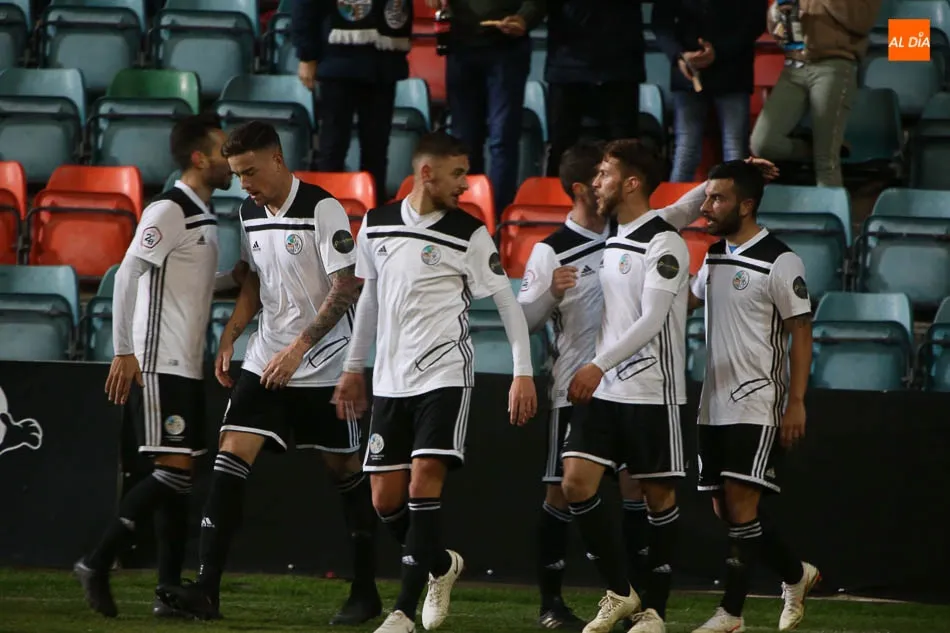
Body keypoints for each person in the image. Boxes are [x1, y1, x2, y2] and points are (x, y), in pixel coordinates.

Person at [155, 121, 381, 625]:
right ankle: (207, 590)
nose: (244, 184)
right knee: (230, 456)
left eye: (251, 172)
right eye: (236, 174)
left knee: (345, 474)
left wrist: (300, 348)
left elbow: (346, 287)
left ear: (277, 160)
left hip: (323, 365)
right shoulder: (247, 211)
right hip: (266, 358)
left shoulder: (322, 208)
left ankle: (365, 591)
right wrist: (234, 331)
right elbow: (253, 281)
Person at [334, 131, 538, 633]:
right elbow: (369, 300)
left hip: (445, 376)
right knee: (385, 501)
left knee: (425, 482)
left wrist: (522, 372)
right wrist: (352, 367)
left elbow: (507, 301)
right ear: (427, 173)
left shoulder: (469, 232)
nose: (465, 185)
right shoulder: (377, 225)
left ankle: (402, 610)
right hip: (390, 380)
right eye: (457, 174)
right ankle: (440, 565)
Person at [517, 140, 712, 631]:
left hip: (631, 384)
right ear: (585, 187)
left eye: (609, 173)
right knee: (566, 490)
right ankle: (559, 601)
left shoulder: (635, 234)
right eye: (598, 174)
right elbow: (523, 318)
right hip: (578, 384)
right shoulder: (552, 250)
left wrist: (726, 176)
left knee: (640, 495)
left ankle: (644, 605)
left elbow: (676, 210)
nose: (602, 182)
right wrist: (547, 293)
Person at [74, 113, 233, 618]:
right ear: (198, 157)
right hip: (160, 360)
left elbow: (191, 283)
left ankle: (168, 595)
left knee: (178, 481)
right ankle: (96, 562)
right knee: (175, 472)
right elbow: (127, 275)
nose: (230, 159)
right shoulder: (169, 210)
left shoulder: (202, 215)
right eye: (222, 150)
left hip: (187, 364)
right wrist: (125, 350)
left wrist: (237, 279)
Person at [687, 160, 819, 633]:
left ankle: (731, 614)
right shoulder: (714, 254)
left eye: (717, 199)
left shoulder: (781, 260)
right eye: (706, 198)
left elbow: (800, 331)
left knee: (741, 506)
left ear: (745, 205)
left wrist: (796, 401)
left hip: (757, 400)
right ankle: (795, 574)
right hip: (712, 401)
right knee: (725, 507)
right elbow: (689, 299)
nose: (706, 207)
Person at [749, 0, 881, 187]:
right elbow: (774, 27)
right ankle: (813, 146)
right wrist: (777, 13)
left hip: (833, 64)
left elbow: (862, 21)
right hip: (793, 65)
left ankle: (831, 213)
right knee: (762, 144)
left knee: (826, 162)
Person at [433, 0, 546, 216]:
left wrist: (525, 18)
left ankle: (497, 218)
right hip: (461, 45)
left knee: (502, 139)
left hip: (507, 48)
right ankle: (464, 213)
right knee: (462, 140)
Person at [292, 0, 412, 199]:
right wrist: (306, 55)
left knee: (377, 152)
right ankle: (325, 216)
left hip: (383, 63)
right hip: (338, 62)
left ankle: (373, 218)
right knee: (332, 149)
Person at [652, 0, 766, 182]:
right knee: (686, 151)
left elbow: (756, 22)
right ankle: (673, 209)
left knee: (735, 151)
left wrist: (719, 52)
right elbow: (660, 22)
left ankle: (737, 209)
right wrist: (679, 55)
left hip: (733, 71)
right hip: (689, 72)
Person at [543, 0, 645, 179]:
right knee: (561, 147)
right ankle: (554, 202)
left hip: (620, 64)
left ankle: (623, 205)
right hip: (566, 63)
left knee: (624, 150)